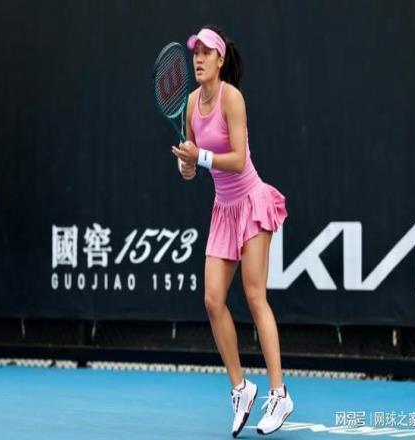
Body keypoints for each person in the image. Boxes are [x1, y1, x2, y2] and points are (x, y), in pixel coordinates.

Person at [171, 26, 293, 436]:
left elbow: (238, 159)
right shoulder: (190, 104)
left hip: (252, 201)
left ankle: (279, 394)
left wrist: (200, 156)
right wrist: (187, 164)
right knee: (212, 299)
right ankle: (241, 389)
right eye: (195, 53)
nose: (199, 59)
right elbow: (191, 168)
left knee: (255, 296)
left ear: (220, 60)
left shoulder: (232, 98)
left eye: (207, 52)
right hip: (223, 209)